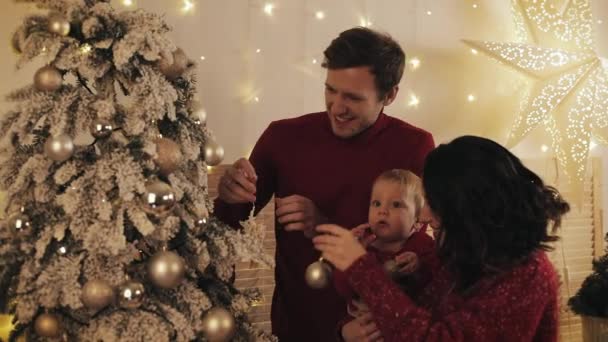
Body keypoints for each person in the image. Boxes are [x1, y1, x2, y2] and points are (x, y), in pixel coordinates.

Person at [214, 27, 434, 342]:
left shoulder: (415, 146)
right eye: (331, 90)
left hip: (376, 330)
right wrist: (228, 195)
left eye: (353, 98)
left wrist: (323, 227)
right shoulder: (282, 137)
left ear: (390, 95)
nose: (337, 107)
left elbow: (415, 252)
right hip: (297, 327)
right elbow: (223, 231)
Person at [314, 135, 570, 342]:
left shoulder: (527, 276)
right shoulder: (464, 254)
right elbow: (411, 315)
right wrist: (346, 334)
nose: (425, 214)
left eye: (434, 203)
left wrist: (362, 267)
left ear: (469, 208)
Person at [333, 169, 436, 323]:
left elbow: (438, 281)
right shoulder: (363, 246)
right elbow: (344, 289)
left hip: (408, 327)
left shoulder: (423, 245)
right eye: (376, 203)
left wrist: (419, 266)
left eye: (396, 205)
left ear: (417, 220)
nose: (382, 211)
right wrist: (352, 258)